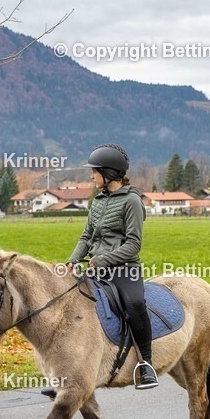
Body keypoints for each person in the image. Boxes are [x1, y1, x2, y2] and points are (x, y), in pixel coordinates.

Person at [66, 143, 158, 390]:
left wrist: (103, 260)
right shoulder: (98, 201)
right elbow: (86, 236)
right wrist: (73, 259)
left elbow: (133, 245)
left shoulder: (132, 202)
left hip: (124, 269)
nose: (91, 175)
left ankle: (146, 365)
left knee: (135, 304)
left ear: (108, 173)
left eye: (94, 171)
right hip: (96, 269)